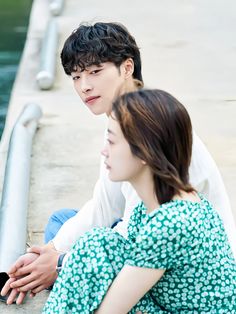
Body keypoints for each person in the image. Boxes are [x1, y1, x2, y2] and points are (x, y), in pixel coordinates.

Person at [1, 22, 236, 305]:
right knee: (61, 223)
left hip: (184, 268)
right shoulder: (121, 119)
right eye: (76, 77)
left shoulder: (151, 130)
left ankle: (64, 276)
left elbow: (147, 231)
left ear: (127, 68)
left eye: (95, 72)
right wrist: (52, 249)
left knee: (89, 248)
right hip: (144, 234)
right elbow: (106, 204)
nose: (84, 86)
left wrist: (61, 264)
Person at [42, 89, 236, 313]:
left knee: (90, 250)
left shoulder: (169, 224)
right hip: (169, 301)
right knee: (97, 243)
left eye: (112, 142)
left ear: (144, 152)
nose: (104, 151)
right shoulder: (161, 204)